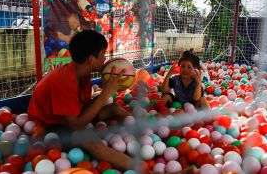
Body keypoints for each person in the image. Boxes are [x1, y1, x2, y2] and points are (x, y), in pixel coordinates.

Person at [28, 30, 193, 173]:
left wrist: (106, 89)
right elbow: (76, 125)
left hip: (68, 117)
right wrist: (105, 93)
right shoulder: (64, 80)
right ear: (91, 59)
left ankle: (151, 135)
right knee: (86, 138)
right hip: (48, 125)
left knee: (114, 107)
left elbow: (83, 106)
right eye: (103, 55)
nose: (105, 59)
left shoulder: (81, 74)